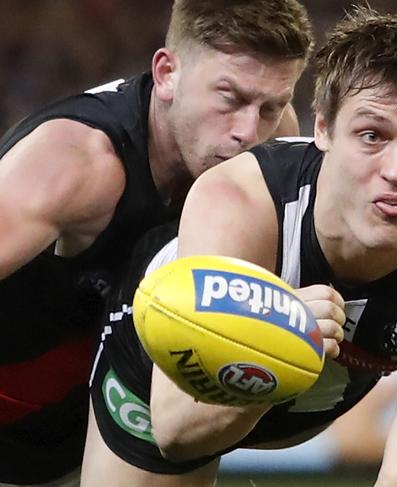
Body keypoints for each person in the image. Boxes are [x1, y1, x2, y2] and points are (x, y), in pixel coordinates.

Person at [81, 6, 397, 487]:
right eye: (371, 135)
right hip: (161, 366)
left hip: (302, 415)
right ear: (321, 130)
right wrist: (278, 340)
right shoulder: (238, 201)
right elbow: (176, 431)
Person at [0, 1, 312, 485]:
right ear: (167, 72)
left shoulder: (270, 146)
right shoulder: (71, 164)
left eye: (272, 105)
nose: (248, 132)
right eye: (229, 97)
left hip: (99, 436)